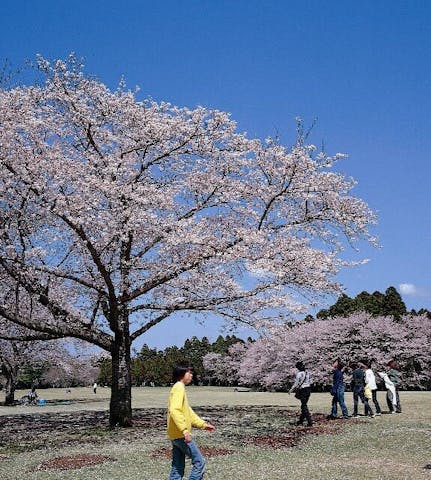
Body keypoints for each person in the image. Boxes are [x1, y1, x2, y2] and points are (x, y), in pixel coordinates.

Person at [167, 362, 215, 480]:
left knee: (177, 466)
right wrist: (184, 430)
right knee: (199, 462)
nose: (191, 375)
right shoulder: (179, 387)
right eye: (189, 372)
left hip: (175, 435)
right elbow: (175, 410)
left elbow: (188, 413)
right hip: (181, 435)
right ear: (181, 373)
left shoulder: (178, 387)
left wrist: (203, 425)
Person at [288, 361, 313, 427]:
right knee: (303, 405)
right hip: (308, 389)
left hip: (303, 390)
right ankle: (300, 421)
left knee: (304, 406)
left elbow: (296, 383)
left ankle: (309, 421)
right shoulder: (307, 373)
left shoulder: (299, 374)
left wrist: (291, 389)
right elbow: (310, 381)